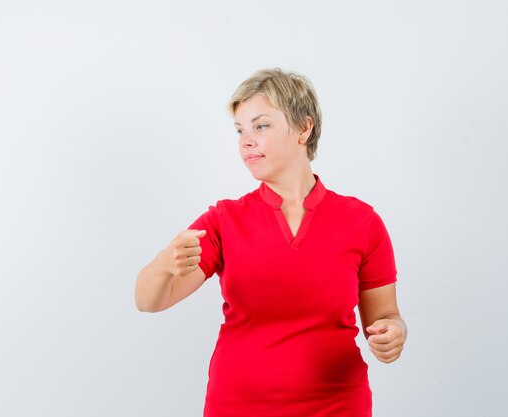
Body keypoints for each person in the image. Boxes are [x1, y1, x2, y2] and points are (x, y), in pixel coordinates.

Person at [134, 68, 408, 417]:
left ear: (303, 129)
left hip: (338, 404)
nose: (246, 140)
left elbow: (385, 315)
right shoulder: (223, 220)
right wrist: (163, 264)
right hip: (238, 405)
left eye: (260, 126)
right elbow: (148, 300)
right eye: (240, 130)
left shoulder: (362, 222)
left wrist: (392, 333)